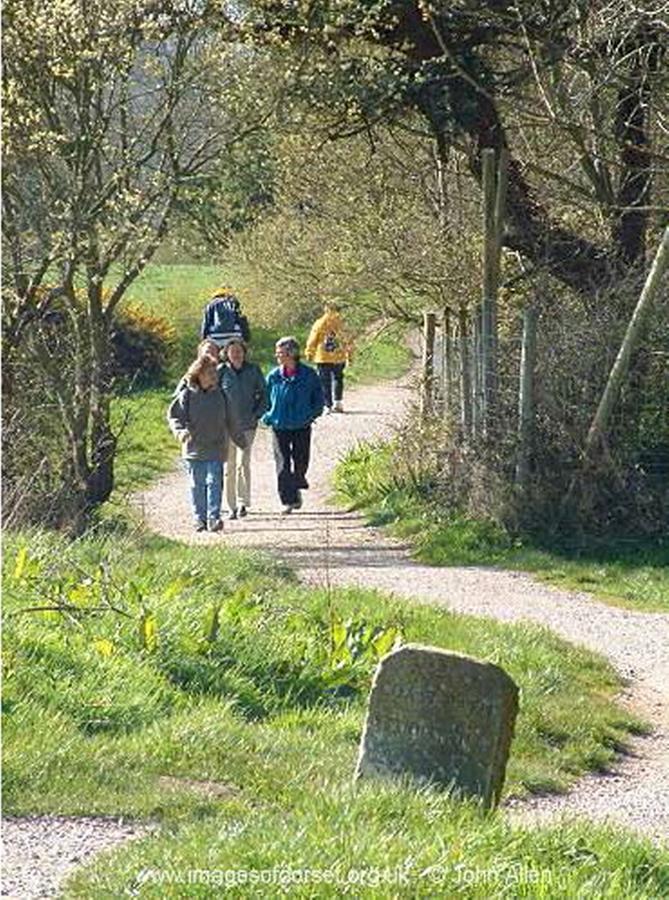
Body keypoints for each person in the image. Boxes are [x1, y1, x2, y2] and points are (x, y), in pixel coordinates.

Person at [262, 336, 324, 514]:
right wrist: (267, 416)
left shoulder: (309, 374)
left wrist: (313, 413)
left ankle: (297, 482)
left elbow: (318, 397)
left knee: (301, 460)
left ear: (292, 354)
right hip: (279, 425)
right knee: (282, 464)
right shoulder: (274, 376)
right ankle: (288, 500)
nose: (277, 356)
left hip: (301, 424)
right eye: (277, 352)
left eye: (280, 353)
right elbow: (265, 398)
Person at [167, 357, 229, 532]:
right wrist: (180, 432)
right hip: (194, 448)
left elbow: (231, 418)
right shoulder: (187, 394)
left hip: (216, 447)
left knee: (215, 482)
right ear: (199, 374)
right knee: (197, 484)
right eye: (209, 373)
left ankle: (213, 517)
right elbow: (174, 416)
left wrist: (240, 441)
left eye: (215, 373)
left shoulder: (220, 394)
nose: (213, 376)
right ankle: (199, 518)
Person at [218, 337, 268, 520]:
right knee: (228, 466)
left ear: (244, 353)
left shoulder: (253, 371)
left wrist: (257, 414)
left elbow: (264, 394)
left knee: (243, 463)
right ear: (227, 354)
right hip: (226, 427)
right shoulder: (221, 371)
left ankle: (242, 503)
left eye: (239, 351)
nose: (236, 354)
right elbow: (213, 395)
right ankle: (230, 506)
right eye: (232, 352)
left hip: (247, 425)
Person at [305, 302, 353, 413]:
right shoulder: (342, 323)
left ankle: (328, 405)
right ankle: (338, 402)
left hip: (323, 357)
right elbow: (347, 340)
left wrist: (309, 352)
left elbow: (313, 338)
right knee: (338, 379)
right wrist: (349, 354)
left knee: (324, 381)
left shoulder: (320, 323)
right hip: (339, 356)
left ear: (326, 309)